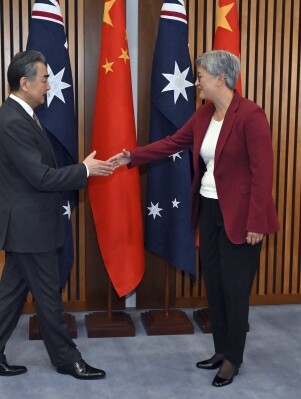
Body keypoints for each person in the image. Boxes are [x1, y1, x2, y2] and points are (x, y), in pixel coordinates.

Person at [109, 50, 279, 387]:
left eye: (200, 75)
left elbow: (264, 173)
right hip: (210, 210)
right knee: (214, 285)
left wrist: (257, 222)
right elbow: (172, 143)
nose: (196, 81)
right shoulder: (203, 115)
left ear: (220, 79)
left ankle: (233, 358)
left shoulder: (251, 115)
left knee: (235, 288)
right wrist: (132, 156)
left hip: (242, 216)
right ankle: (220, 350)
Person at [0, 50, 112, 380]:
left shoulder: (19, 115)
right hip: (29, 228)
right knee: (49, 297)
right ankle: (66, 359)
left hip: (27, 227)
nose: (49, 84)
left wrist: (81, 169)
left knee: (11, 296)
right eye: (45, 78)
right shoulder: (12, 121)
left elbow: (37, 173)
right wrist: (83, 170)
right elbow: (41, 178)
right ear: (24, 83)